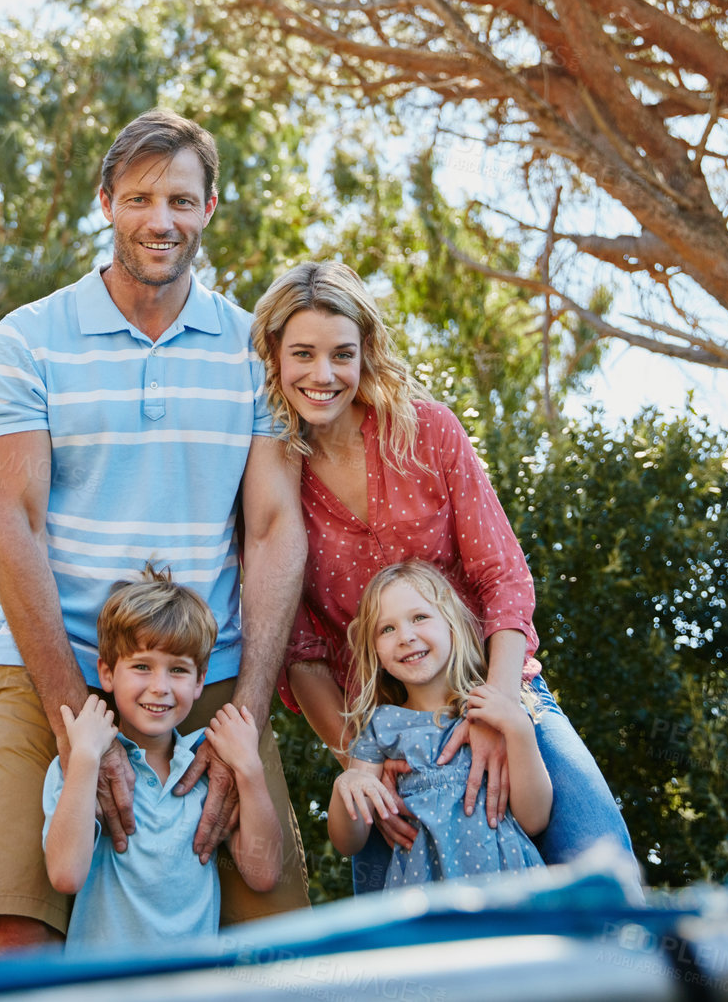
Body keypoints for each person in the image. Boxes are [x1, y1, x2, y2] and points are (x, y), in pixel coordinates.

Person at [0, 110, 309, 955]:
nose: (161, 220)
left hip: (207, 671)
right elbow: (14, 522)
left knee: (280, 937)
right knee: (16, 932)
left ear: (210, 208)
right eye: (141, 197)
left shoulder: (253, 353)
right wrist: (77, 716)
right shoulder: (28, 341)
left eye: (182, 200)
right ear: (107, 202)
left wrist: (247, 717)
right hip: (54, 658)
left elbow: (272, 526)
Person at [251, 260, 637, 890]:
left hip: (496, 690)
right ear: (274, 354)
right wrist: (361, 761)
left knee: (601, 862)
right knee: (399, 949)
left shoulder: (427, 432)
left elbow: (504, 582)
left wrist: (499, 711)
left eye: (342, 354)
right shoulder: (271, 476)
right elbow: (300, 651)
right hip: (387, 736)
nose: (323, 376)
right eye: (302, 354)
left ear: (366, 352)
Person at [44, 566, 281, 947]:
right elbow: (65, 875)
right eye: (141, 666)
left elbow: (264, 872)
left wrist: (249, 766)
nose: (160, 687)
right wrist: (86, 757)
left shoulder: (209, 767)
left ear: (200, 680)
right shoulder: (82, 764)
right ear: (107, 672)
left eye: (178, 670)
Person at [328, 561, 548, 884]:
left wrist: (520, 730)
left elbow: (535, 818)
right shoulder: (381, 725)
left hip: (508, 887)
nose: (405, 636)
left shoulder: (491, 709)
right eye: (386, 629)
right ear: (374, 650)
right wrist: (344, 788)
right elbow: (349, 842)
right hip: (423, 896)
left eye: (419, 617)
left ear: (451, 624)